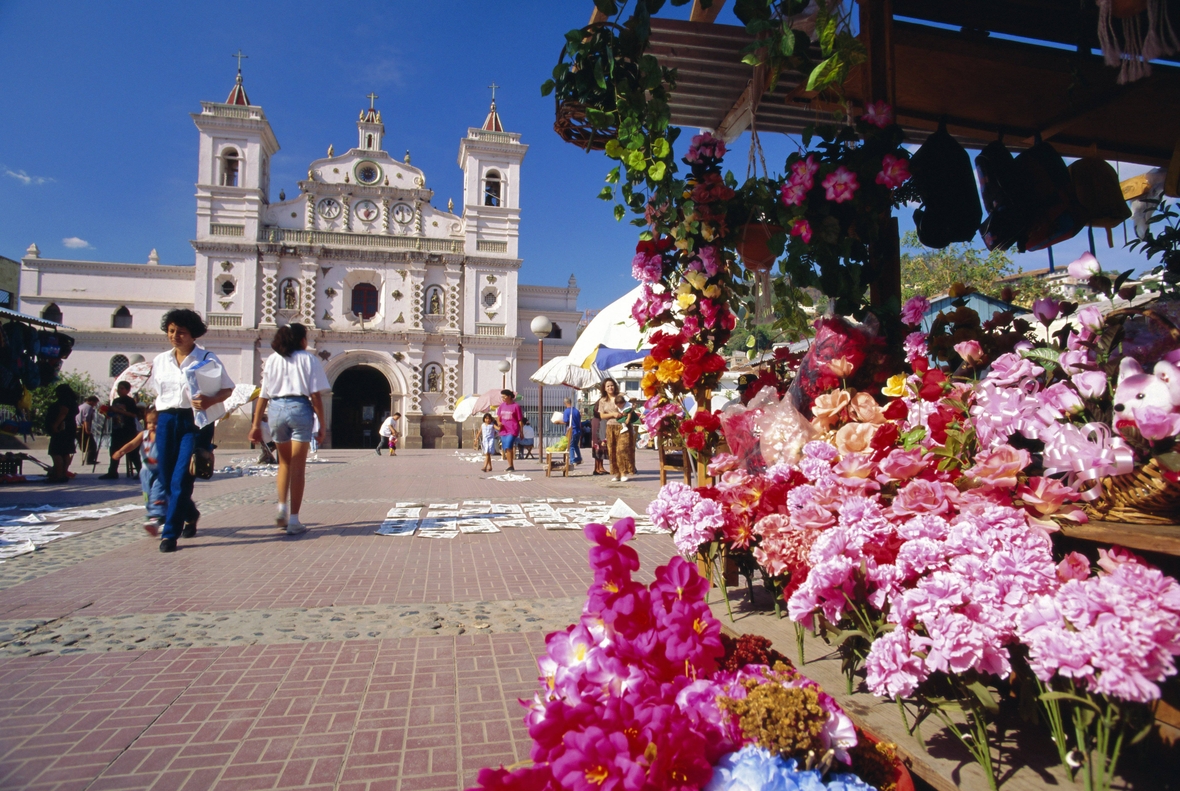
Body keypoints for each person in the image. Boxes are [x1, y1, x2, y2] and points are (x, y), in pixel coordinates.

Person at [148, 308, 235, 553]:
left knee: (181, 479)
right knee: (164, 478)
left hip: (195, 422)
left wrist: (209, 401)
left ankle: (170, 534)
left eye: (182, 332)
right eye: (172, 331)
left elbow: (228, 389)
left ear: (193, 335)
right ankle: (191, 513)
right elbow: (159, 393)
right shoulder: (161, 360)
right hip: (167, 420)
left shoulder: (207, 358)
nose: (175, 336)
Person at [249, 323, 329, 536]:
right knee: (298, 467)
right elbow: (316, 396)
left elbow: (263, 395)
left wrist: (256, 424)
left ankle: (281, 507)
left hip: (275, 409)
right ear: (301, 339)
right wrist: (322, 425)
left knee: (283, 462)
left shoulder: (273, 360)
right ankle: (294, 520)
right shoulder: (308, 359)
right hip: (299, 408)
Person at [113, 407, 165, 535]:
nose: (152, 426)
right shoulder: (143, 435)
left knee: (157, 494)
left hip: (161, 472)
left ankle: (156, 518)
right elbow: (132, 444)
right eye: (149, 422)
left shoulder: (163, 436)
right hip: (146, 471)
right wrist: (121, 451)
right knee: (147, 496)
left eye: (156, 423)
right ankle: (156, 517)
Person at [99, 381, 141, 480]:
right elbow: (113, 414)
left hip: (128, 429)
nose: (119, 390)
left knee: (132, 451)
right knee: (114, 450)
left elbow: (133, 414)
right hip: (117, 428)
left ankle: (140, 471)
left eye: (122, 388)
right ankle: (112, 471)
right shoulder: (115, 401)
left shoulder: (130, 401)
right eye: (119, 388)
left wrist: (119, 411)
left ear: (127, 390)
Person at [46, 384, 78, 483]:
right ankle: (64, 473)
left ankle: (58, 475)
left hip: (62, 429)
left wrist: (55, 425)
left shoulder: (64, 401)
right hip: (70, 428)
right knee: (65, 452)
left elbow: (63, 412)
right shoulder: (73, 402)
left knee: (56, 451)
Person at [595, 378, 626, 481]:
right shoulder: (603, 400)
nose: (610, 387)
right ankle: (616, 473)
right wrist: (613, 414)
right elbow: (602, 415)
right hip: (610, 426)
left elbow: (627, 409)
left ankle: (623, 472)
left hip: (622, 426)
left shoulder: (620, 397)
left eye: (612, 385)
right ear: (604, 388)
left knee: (621, 449)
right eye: (608, 386)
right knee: (612, 450)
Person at [494, 389, 523, 472]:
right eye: (502, 397)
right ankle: (510, 465)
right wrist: (499, 423)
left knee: (509, 445)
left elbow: (520, 420)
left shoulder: (516, 406)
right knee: (506, 448)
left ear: (509, 396)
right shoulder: (502, 406)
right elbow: (498, 417)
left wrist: (521, 432)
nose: (503, 398)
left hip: (513, 429)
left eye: (504, 397)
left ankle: (511, 466)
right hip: (503, 430)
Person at [614, 394, 639, 481]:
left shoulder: (627, 405)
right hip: (614, 425)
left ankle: (624, 472)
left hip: (626, 426)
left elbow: (629, 412)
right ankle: (618, 473)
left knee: (623, 450)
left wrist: (628, 418)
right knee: (615, 452)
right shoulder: (618, 405)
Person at [75, 395, 99, 466]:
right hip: (82, 427)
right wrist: (87, 429)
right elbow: (86, 419)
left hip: (77, 427)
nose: (95, 405)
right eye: (95, 403)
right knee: (92, 445)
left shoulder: (81, 406)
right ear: (91, 401)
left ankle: (89, 457)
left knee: (85, 444)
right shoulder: (88, 407)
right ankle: (90, 460)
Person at [562, 397, 583, 465]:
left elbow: (565, 421)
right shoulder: (576, 410)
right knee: (576, 445)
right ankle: (579, 458)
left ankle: (572, 460)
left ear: (565, 403)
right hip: (578, 430)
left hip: (572, 431)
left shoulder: (567, 411)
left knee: (571, 446)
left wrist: (559, 422)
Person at [590, 405, 608, 475]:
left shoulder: (597, 419)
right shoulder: (597, 419)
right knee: (598, 448)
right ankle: (597, 468)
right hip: (598, 434)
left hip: (601, 428)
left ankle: (600, 467)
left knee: (601, 448)